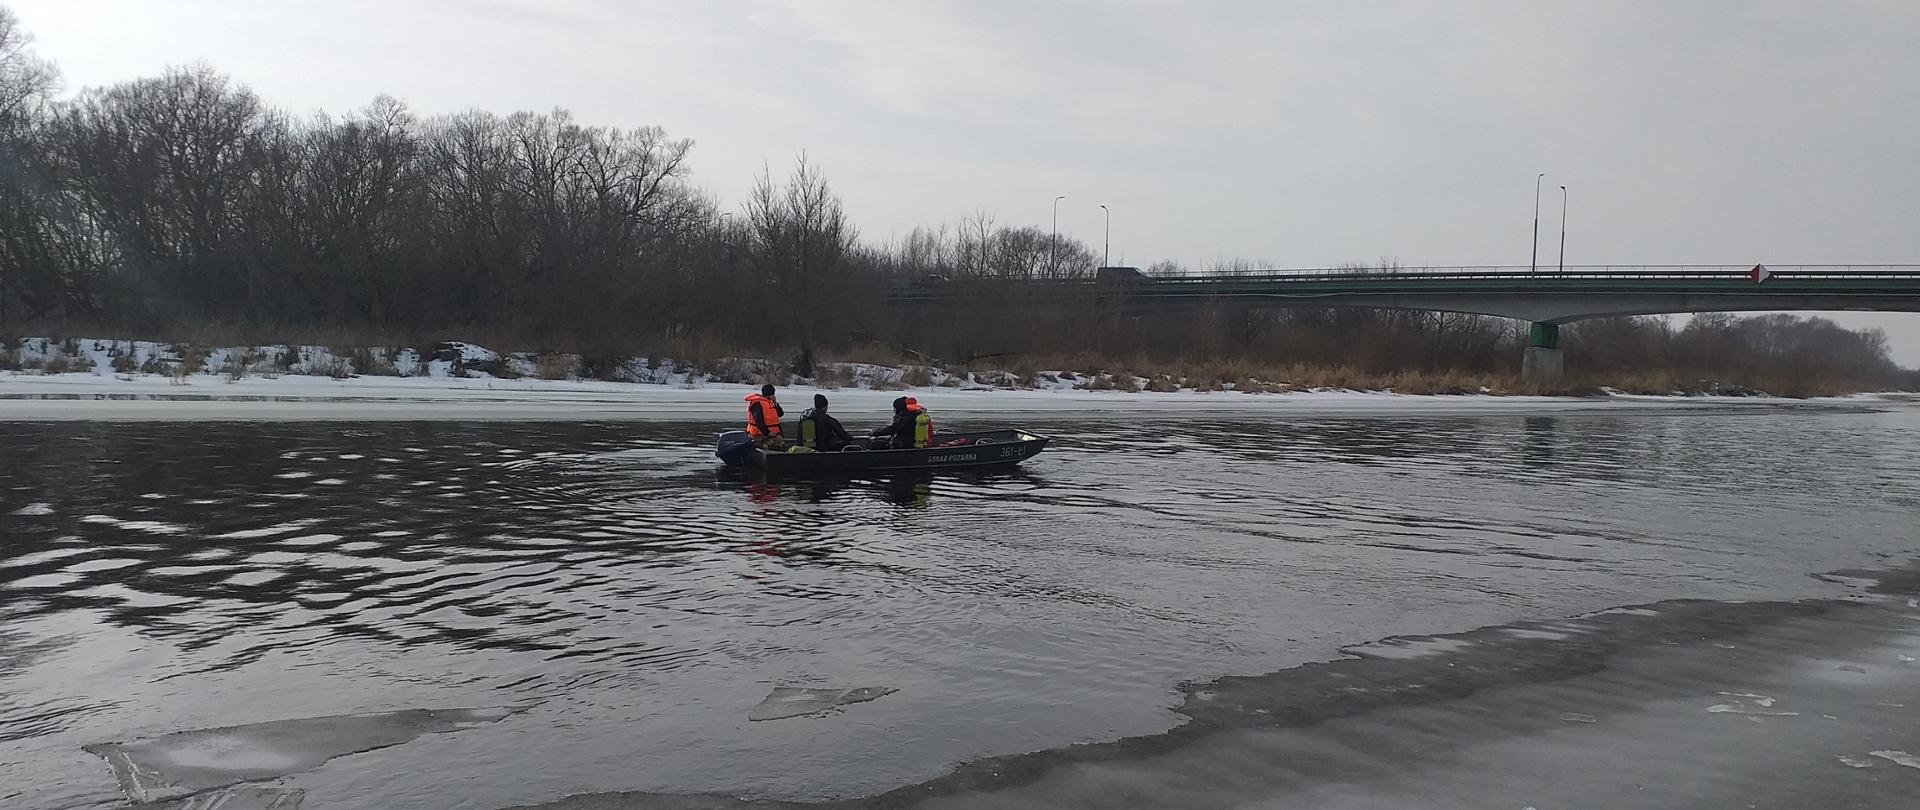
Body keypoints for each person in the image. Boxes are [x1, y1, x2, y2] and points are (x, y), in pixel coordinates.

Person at [744, 384, 785, 449]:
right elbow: (758, 421)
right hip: (759, 434)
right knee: (779, 443)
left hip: (772, 434)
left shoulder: (770, 403)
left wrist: (775, 404)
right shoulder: (758, 404)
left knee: (780, 442)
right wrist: (768, 433)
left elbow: (780, 414)